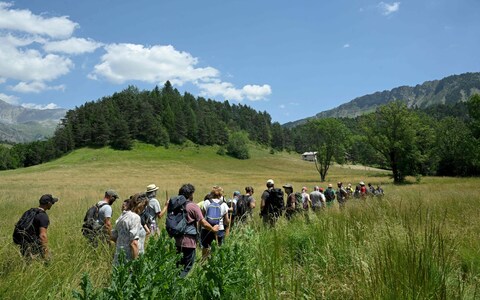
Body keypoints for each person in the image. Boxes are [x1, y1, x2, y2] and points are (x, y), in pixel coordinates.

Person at [169, 183, 219, 277]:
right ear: (190, 194)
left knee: (177, 266)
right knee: (187, 266)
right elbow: (203, 222)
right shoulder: (192, 206)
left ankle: (174, 283)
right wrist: (213, 229)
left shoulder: (176, 205)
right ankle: (180, 285)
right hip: (189, 242)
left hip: (177, 240)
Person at [15, 194, 58, 261]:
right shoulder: (43, 216)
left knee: (26, 264)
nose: (52, 204)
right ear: (48, 203)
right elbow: (43, 236)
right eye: (52, 202)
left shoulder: (29, 212)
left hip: (23, 244)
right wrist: (46, 253)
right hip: (34, 247)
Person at [111, 193, 148, 265]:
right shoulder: (135, 218)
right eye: (145, 206)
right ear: (141, 205)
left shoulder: (123, 215)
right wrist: (136, 263)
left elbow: (114, 236)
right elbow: (134, 243)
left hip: (119, 258)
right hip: (129, 260)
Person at [201, 186, 229, 258]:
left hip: (207, 228)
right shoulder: (224, 204)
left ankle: (204, 263)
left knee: (206, 248)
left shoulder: (207, 202)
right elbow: (227, 221)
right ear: (221, 194)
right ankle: (215, 263)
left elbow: (202, 217)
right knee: (218, 248)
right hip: (219, 229)